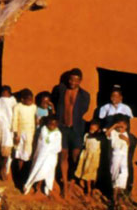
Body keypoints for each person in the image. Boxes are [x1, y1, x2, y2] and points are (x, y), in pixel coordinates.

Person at [52, 68, 90, 197]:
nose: (72, 82)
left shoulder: (84, 95)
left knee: (75, 156)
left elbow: (83, 110)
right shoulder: (60, 90)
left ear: (80, 81)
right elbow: (55, 101)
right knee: (63, 155)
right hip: (62, 128)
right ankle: (64, 184)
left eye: (76, 80)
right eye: (71, 79)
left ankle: (71, 180)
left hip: (76, 129)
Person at [23, 116, 62, 196]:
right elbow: (41, 142)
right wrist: (44, 150)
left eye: (54, 125)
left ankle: (44, 187)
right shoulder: (43, 129)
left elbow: (58, 147)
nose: (51, 126)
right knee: (36, 169)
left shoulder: (58, 134)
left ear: (57, 125)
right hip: (41, 155)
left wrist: (49, 150)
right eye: (50, 124)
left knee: (47, 171)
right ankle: (29, 185)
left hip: (50, 157)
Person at [12, 88, 38, 176]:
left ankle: (26, 173)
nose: (31, 101)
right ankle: (19, 173)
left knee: (28, 153)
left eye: (32, 100)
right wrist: (16, 134)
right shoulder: (17, 107)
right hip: (20, 132)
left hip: (30, 133)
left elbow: (35, 118)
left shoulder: (34, 107)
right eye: (28, 100)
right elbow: (15, 120)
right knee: (20, 153)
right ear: (22, 99)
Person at [109, 115, 132, 208]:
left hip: (124, 158)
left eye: (122, 126)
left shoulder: (126, 134)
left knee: (123, 176)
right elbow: (107, 133)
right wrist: (114, 126)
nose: (120, 128)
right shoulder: (113, 133)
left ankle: (119, 200)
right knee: (115, 177)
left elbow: (129, 144)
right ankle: (114, 199)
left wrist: (126, 139)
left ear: (126, 126)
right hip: (115, 157)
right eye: (118, 126)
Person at [74, 120, 102, 195]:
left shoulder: (99, 137)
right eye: (91, 129)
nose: (92, 130)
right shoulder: (86, 135)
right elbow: (85, 145)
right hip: (87, 156)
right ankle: (88, 188)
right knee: (87, 172)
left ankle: (93, 188)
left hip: (95, 157)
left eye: (94, 129)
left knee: (93, 173)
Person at [0, 85, 17, 179]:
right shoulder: (0, 100)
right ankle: (1, 168)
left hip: (10, 128)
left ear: (9, 93)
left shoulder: (13, 101)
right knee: (0, 150)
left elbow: (14, 114)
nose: (4, 95)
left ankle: (4, 169)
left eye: (6, 93)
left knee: (7, 150)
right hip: (0, 127)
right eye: (3, 93)